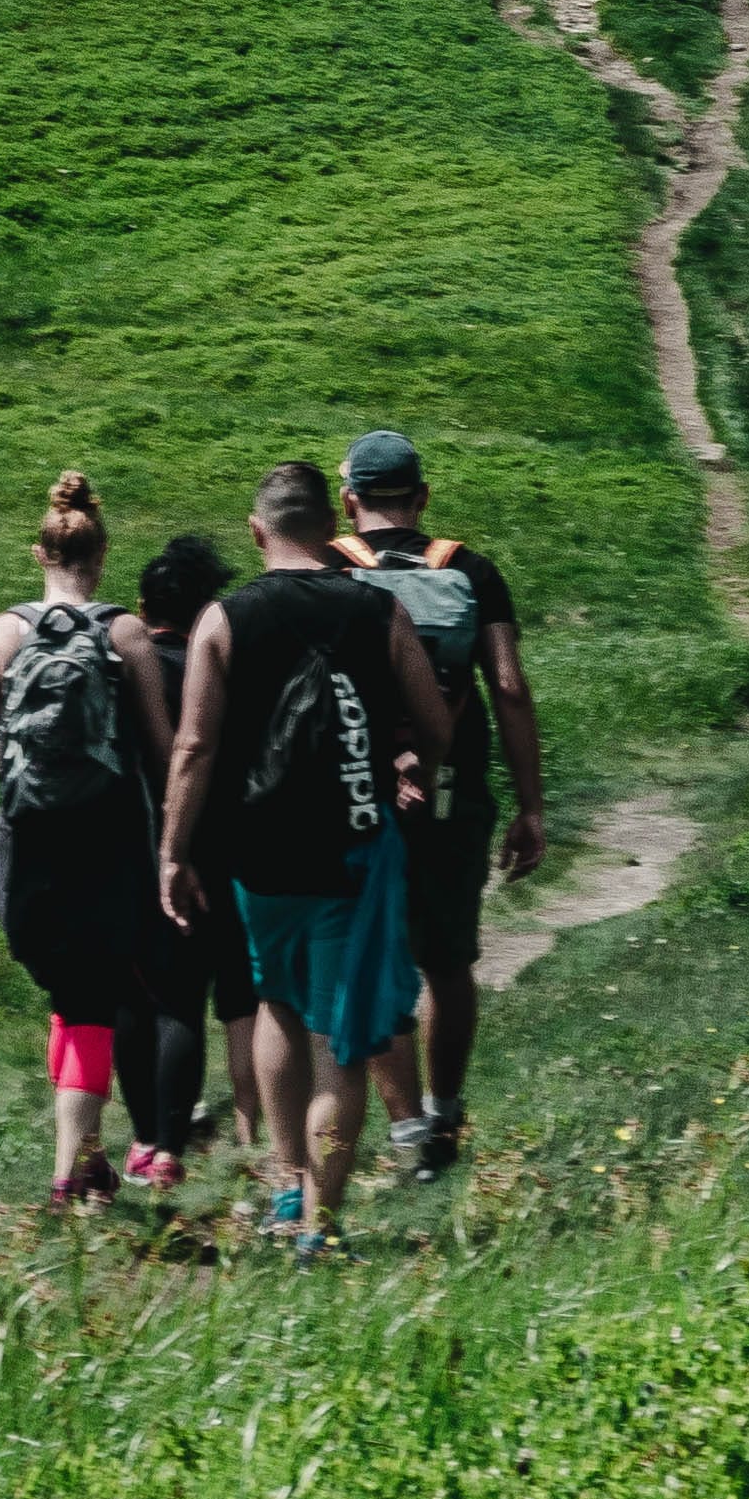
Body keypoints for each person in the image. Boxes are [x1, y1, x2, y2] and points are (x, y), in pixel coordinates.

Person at [156, 459, 449, 1253]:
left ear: (257, 532)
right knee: (340, 1044)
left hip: (259, 855)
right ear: (334, 529)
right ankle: (322, 1222)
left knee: (277, 1006)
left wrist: (173, 852)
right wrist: (412, 766)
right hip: (351, 849)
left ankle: (287, 1188)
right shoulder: (375, 608)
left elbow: (193, 745)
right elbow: (437, 721)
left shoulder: (224, 618)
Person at [0, 469, 173, 1207]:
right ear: (103, 552)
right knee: (89, 1001)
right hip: (108, 850)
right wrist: (179, 849)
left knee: (70, 993)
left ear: (39, 552)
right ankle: (67, 1176)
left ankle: (85, 1161)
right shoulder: (126, 634)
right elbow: (164, 752)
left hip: (25, 855)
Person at [332, 426, 548, 1179]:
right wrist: (530, 806)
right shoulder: (472, 569)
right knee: (447, 960)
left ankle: (407, 1129)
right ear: (422, 496)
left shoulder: (328, 568)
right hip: (454, 792)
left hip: (360, 794)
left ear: (349, 497)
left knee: (377, 956)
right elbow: (510, 688)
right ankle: (448, 1112)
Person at [121, 530, 262, 1179]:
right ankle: (241, 1134)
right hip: (221, 852)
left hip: (130, 852)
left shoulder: (121, 666)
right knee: (225, 999)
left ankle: (149, 1137)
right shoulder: (222, 668)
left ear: (143, 604)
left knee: (144, 998)